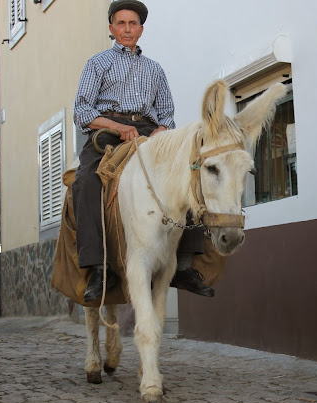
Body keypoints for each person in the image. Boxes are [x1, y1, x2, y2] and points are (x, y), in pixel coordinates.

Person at [72, 0, 214, 302]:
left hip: (150, 131)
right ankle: (99, 269)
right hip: (107, 132)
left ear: (141, 29)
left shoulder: (155, 69)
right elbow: (82, 111)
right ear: (111, 28)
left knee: (188, 171)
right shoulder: (97, 63)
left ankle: (184, 265)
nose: (127, 29)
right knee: (85, 182)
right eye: (121, 23)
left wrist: (161, 132)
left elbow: (167, 113)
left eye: (132, 23)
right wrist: (117, 126)